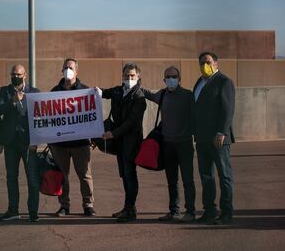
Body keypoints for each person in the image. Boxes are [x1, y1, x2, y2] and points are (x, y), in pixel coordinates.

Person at [143, 66, 196, 223]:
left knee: (188, 180)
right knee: (172, 180)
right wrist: (134, 83)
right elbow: (147, 94)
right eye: (168, 77)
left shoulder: (188, 95)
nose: (171, 79)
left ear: (179, 79)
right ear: (164, 80)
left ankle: (191, 212)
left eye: (174, 76)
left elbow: (196, 116)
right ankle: (174, 211)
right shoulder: (162, 94)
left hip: (184, 144)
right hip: (168, 145)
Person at [50, 58, 96, 217]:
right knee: (62, 176)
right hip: (60, 144)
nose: (67, 70)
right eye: (65, 68)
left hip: (81, 143)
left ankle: (88, 205)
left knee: (85, 176)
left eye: (70, 68)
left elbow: (92, 117)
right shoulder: (54, 92)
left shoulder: (86, 91)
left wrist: (94, 137)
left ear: (77, 71)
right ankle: (64, 206)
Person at [101, 62, 146, 223]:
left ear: (138, 76)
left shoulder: (139, 97)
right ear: (122, 76)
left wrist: (113, 133)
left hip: (131, 142)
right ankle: (128, 208)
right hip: (119, 142)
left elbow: (131, 122)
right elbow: (102, 93)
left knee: (130, 174)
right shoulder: (118, 91)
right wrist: (92, 91)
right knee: (124, 176)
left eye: (132, 75)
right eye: (126, 75)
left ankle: (130, 209)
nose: (129, 78)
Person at [193, 52, 235, 225]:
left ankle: (226, 213)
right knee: (206, 176)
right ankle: (209, 211)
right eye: (202, 62)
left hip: (218, 138)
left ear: (216, 63)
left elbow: (228, 109)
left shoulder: (224, 82)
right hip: (202, 139)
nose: (205, 65)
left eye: (208, 62)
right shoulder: (199, 82)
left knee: (224, 176)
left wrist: (221, 132)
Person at [0, 64, 41, 222]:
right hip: (10, 142)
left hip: (29, 143)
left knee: (33, 179)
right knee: (11, 178)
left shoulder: (35, 93)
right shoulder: (5, 91)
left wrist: (36, 140)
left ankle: (33, 212)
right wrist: (13, 100)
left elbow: (39, 119)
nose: (15, 76)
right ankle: (13, 210)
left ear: (25, 75)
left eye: (18, 74)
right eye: (13, 74)